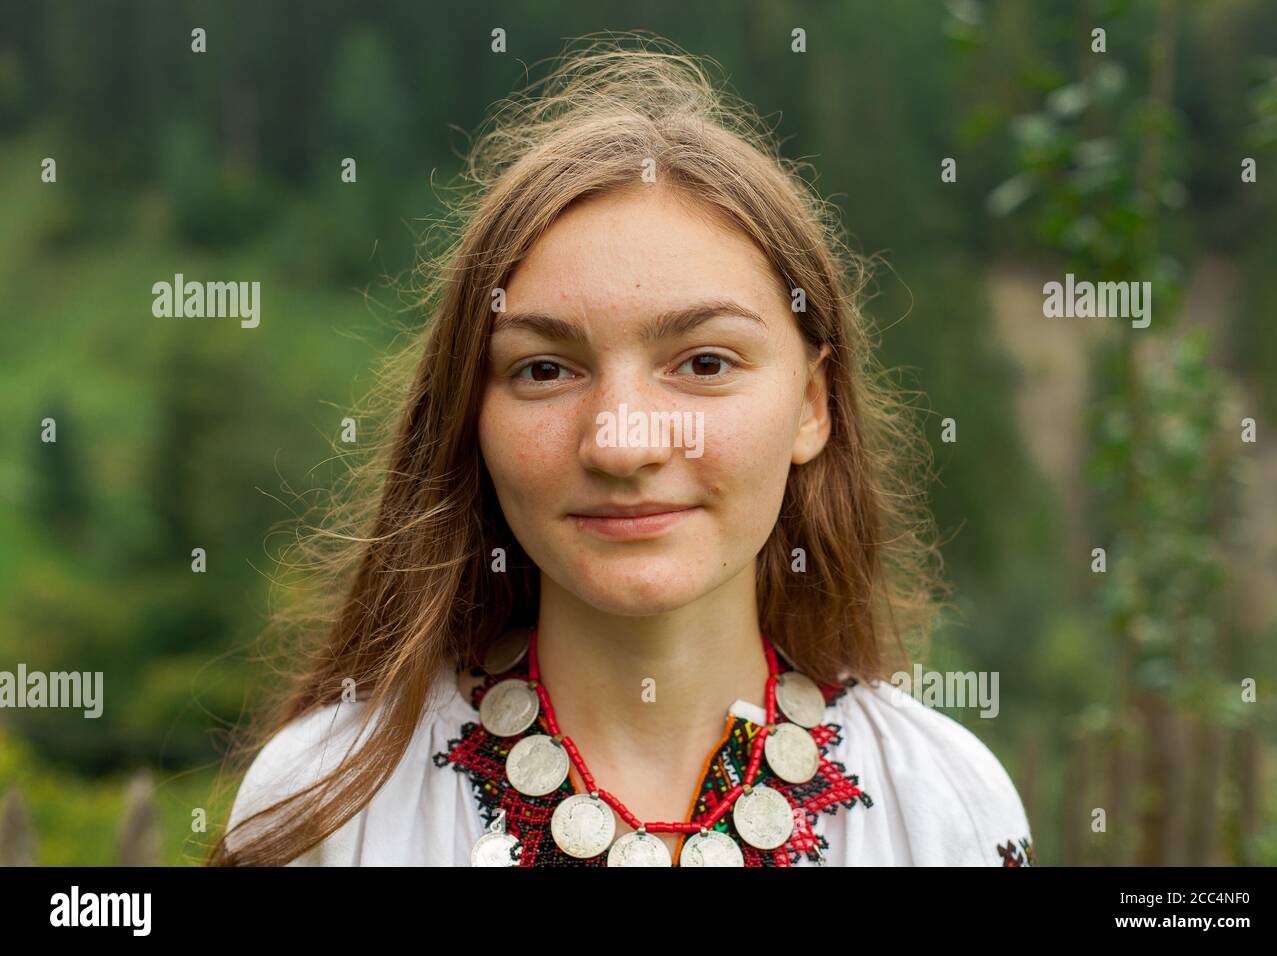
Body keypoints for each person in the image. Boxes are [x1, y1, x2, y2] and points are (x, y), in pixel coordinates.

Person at [209, 36, 1034, 867]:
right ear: (470, 414)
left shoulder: (942, 806)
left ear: (811, 407)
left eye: (705, 363)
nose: (622, 443)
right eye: (544, 369)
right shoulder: (326, 805)